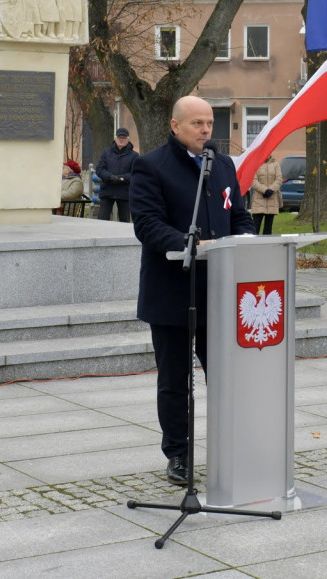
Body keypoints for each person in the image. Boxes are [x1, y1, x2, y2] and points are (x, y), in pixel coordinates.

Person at [129, 95, 253, 486]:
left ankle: (232, 445)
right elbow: (147, 224)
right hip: (172, 293)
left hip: (218, 292)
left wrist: (248, 241)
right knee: (176, 382)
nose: (205, 130)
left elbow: (240, 215)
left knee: (226, 375)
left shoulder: (224, 165)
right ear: (175, 125)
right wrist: (189, 244)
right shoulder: (150, 166)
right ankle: (179, 455)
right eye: (197, 123)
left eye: (208, 123)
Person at [96, 127, 138, 222]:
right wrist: (110, 177)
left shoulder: (134, 156)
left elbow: (135, 173)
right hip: (107, 190)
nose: (121, 139)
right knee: (101, 220)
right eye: (119, 137)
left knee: (124, 221)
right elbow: (99, 169)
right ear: (115, 138)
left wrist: (122, 178)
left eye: (124, 137)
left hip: (124, 192)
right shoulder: (106, 152)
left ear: (128, 139)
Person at [250, 155, 282, 235]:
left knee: (268, 229)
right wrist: (264, 190)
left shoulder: (276, 165)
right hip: (258, 200)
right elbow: (253, 181)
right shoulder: (256, 164)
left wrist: (271, 190)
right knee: (255, 227)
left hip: (272, 199)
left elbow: (279, 179)